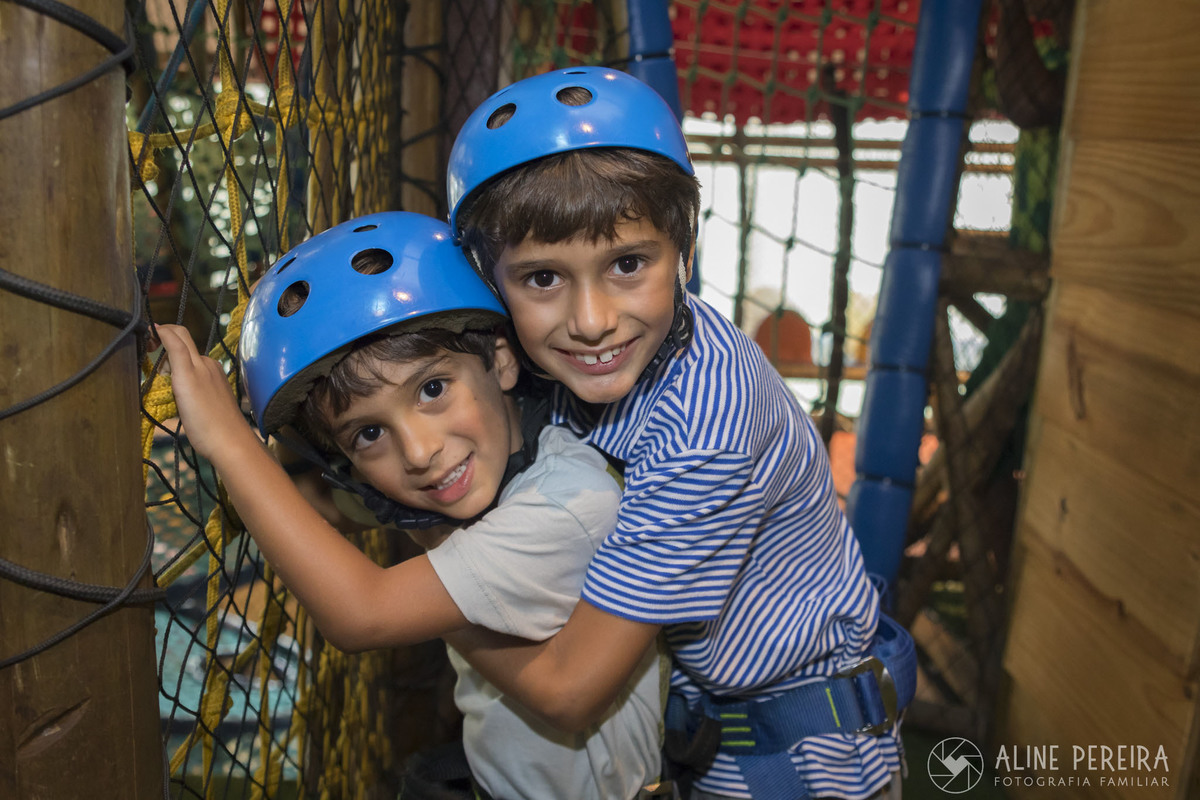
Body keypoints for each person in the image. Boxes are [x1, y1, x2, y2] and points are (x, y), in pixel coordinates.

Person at [444, 67, 915, 800]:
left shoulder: (708, 421)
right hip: (704, 734)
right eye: (542, 279)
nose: (592, 320)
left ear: (684, 252)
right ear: (490, 284)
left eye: (628, 264)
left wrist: (436, 568)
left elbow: (570, 689)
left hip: (799, 759)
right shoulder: (578, 366)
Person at [154, 211, 664, 800]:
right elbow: (349, 509)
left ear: (500, 359)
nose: (420, 453)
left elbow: (360, 614)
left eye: (432, 389)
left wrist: (228, 442)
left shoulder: (562, 505)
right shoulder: (504, 466)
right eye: (369, 433)